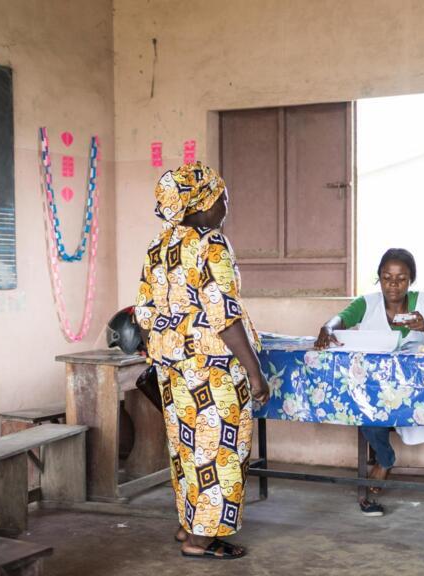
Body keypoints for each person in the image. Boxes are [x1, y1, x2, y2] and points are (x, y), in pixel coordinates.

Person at [134, 162, 269, 560]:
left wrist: (169, 352)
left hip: (174, 369)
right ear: (201, 203)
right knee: (220, 452)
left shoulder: (160, 246)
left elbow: (143, 314)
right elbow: (223, 314)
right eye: (221, 196)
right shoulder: (211, 244)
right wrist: (255, 373)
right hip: (214, 369)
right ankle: (203, 539)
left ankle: (189, 522)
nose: (226, 203)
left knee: (186, 449)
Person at [314, 248, 424, 515]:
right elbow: (339, 318)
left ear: (411, 280)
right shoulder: (367, 303)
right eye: (387, 277)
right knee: (363, 408)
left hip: (422, 393)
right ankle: (386, 459)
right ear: (379, 278)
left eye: (401, 278)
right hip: (378, 392)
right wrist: (327, 328)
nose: (394, 284)